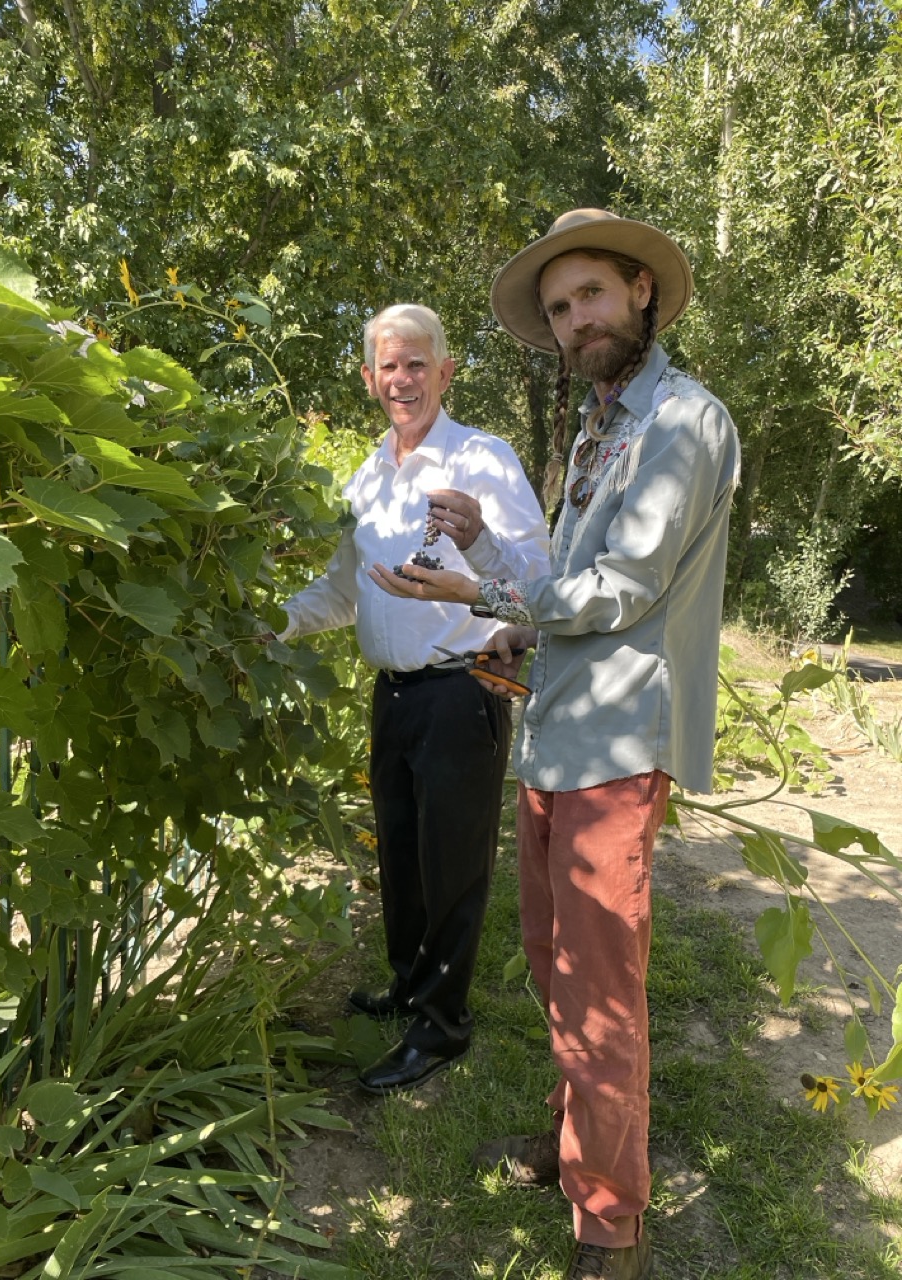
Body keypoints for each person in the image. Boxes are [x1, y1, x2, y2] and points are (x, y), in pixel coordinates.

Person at [370, 210, 740, 1279]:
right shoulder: (600, 422)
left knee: (603, 985)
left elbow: (622, 588)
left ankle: (611, 1224)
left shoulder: (680, 420)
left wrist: (471, 584)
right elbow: (568, 579)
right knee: (551, 964)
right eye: (560, 305)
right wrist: (492, 565)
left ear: (640, 290)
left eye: (591, 295)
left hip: (619, 740)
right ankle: (574, 1145)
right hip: (556, 730)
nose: (576, 318)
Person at [278, 303, 549, 1095]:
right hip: (391, 694)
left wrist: (473, 550)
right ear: (369, 379)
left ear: (446, 370)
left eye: (417, 364)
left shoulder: (486, 461)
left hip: (462, 691)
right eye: (388, 367)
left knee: (451, 861)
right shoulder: (366, 477)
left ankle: (442, 1026)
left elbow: (537, 596)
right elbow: (338, 592)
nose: (403, 379)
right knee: (399, 851)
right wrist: (271, 628)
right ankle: (407, 984)